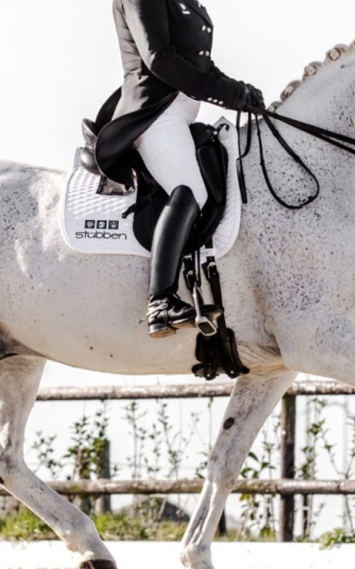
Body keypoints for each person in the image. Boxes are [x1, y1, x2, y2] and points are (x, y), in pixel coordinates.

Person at [91, 0, 267, 338]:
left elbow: (199, 64)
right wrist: (228, 93)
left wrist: (240, 91)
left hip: (182, 114)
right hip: (154, 115)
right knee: (189, 189)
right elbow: (159, 59)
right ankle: (161, 301)